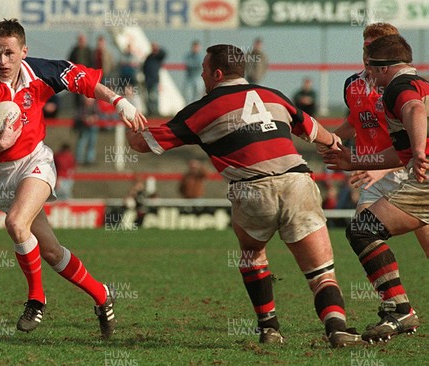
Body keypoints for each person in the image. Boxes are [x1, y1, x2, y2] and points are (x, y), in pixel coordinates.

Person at [127, 44, 364, 348]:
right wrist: (333, 142)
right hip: (297, 182)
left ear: (216, 73)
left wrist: (131, 124)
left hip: (252, 189)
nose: (201, 76)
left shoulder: (202, 108)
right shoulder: (273, 94)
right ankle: (337, 328)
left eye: (203, 70)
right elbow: (309, 127)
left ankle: (269, 327)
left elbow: (143, 144)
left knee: (253, 254)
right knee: (321, 273)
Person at [0, 18, 146, 339]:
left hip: (35, 163)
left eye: (9, 53)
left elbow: (83, 81)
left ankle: (36, 300)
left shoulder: (40, 71)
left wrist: (119, 101)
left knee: (15, 223)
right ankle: (102, 295)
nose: (2, 61)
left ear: (24, 51)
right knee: (51, 251)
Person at [324, 34, 429, 343]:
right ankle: (399, 308)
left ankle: (400, 309)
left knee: (363, 230)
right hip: (417, 173)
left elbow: (413, 111)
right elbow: (400, 154)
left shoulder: (398, 87)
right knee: (365, 230)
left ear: (383, 68)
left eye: (370, 70)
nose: (367, 77)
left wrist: (421, 149)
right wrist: (353, 160)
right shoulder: (420, 83)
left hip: (424, 177)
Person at [331, 22, 429, 259]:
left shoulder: (397, 86)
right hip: (376, 174)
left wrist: (390, 165)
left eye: (374, 49)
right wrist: (329, 137)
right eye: (366, 48)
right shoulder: (353, 85)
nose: (368, 56)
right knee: (363, 236)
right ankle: (393, 297)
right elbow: (356, 122)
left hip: (409, 172)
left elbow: (413, 122)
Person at [74, 95, 99, 165]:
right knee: (81, 142)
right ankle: (79, 159)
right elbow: (77, 115)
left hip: (93, 126)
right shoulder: (80, 105)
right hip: (83, 127)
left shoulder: (95, 106)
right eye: (87, 98)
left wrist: (94, 118)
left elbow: (99, 114)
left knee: (92, 142)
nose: (89, 100)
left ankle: (90, 159)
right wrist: (85, 119)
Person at [142, 42, 166, 115]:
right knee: (149, 97)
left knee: (155, 96)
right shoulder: (149, 57)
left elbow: (164, 53)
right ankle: (150, 111)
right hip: (148, 80)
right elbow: (144, 67)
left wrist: (158, 49)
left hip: (155, 79)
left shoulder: (158, 57)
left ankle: (156, 111)